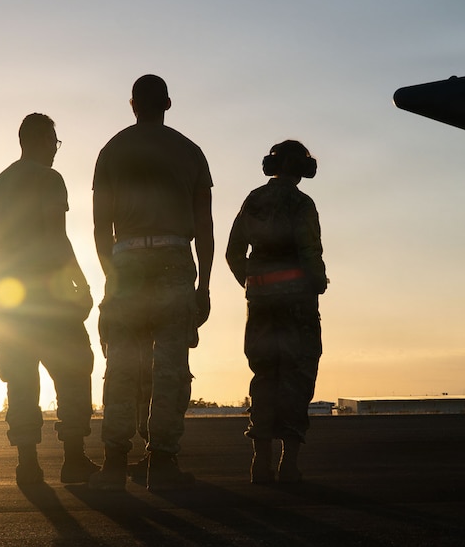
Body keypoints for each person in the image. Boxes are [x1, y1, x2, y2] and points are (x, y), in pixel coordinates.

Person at [89, 75, 213, 490]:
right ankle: (161, 459)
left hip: (126, 260)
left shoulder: (111, 150)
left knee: (121, 363)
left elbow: (98, 228)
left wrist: (114, 277)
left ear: (132, 104)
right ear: (168, 104)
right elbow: (206, 228)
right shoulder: (190, 151)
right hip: (174, 259)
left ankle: (114, 459)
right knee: (171, 365)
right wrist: (204, 286)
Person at [0, 112, 95, 489]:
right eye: (54, 142)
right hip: (48, 301)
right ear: (40, 140)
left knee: (20, 382)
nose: (55, 150)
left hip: (10, 303)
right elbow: (56, 238)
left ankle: (28, 466)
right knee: (74, 371)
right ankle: (74, 459)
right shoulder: (50, 179)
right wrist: (80, 284)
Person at [225, 139, 326, 484]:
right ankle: (289, 464)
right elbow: (309, 248)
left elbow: (233, 252)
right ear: (302, 167)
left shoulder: (254, 200)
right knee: (297, 374)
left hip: (261, 301)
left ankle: (260, 463)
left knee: (264, 374)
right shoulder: (301, 203)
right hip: (297, 303)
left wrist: (252, 282)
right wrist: (317, 281)